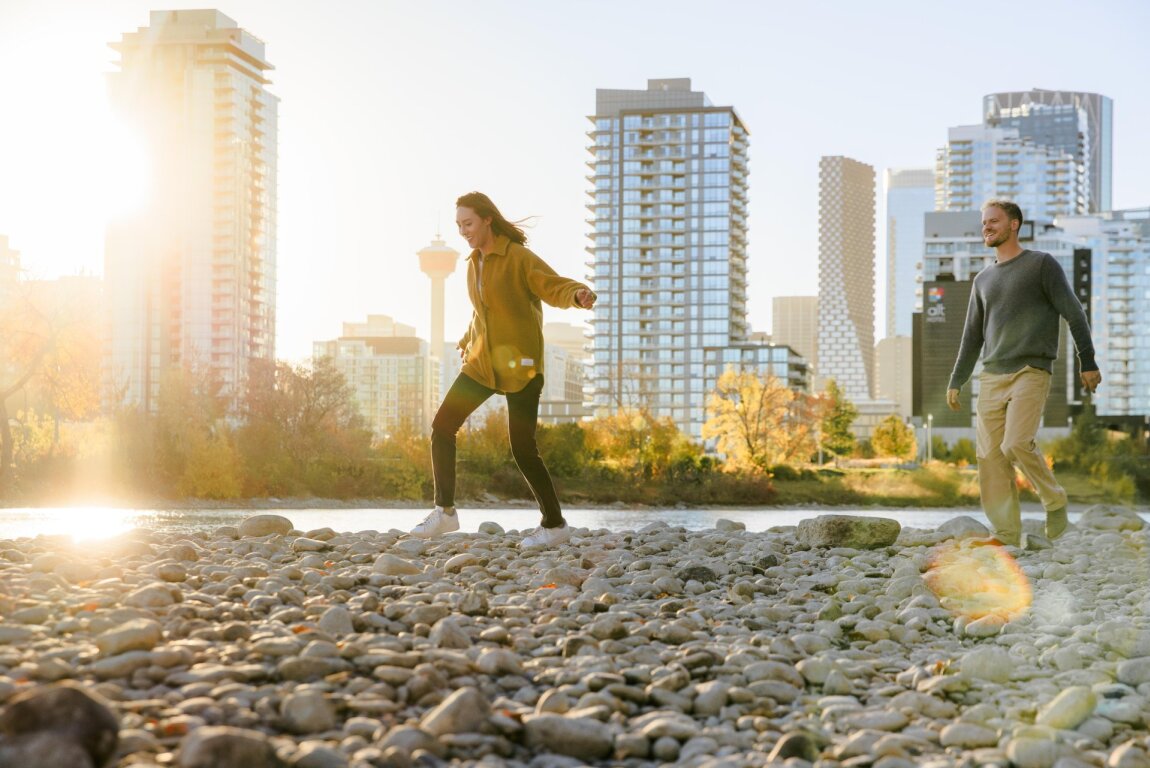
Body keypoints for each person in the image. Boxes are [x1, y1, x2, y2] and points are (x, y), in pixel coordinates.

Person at [409, 192, 596, 548]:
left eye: (468, 223)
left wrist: (577, 294)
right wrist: (467, 339)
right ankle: (445, 512)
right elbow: (482, 311)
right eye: (459, 225)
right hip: (482, 365)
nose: (463, 231)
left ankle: (554, 525)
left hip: (521, 365)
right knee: (442, 427)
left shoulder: (518, 258)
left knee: (523, 449)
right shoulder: (472, 263)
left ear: (487, 219)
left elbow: (552, 284)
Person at [947, 199, 1101, 545]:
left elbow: (1074, 312)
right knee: (989, 457)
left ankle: (1054, 500)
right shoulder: (982, 280)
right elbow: (972, 336)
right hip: (992, 375)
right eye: (984, 223)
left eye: (993, 221)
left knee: (1016, 443)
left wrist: (1087, 361)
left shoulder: (1041, 265)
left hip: (1031, 369)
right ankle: (1005, 533)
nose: (986, 227)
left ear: (1014, 224)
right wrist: (957, 379)